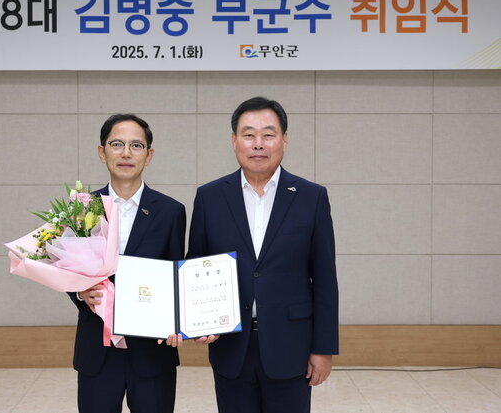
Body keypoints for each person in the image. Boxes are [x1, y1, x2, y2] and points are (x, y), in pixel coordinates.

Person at [187, 97, 339, 413]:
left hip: (291, 345)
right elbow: (195, 265)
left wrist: (323, 349)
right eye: (249, 135)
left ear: (284, 139)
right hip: (231, 345)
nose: (258, 144)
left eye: (268, 134)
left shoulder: (311, 197)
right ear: (234, 141)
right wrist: (197, 321)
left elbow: (325, 278)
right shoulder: (210, 197)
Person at [68, 114, 186, 413]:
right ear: (102, 152)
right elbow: (66, 267)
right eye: (117, 144)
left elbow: (176, 274)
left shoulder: (171, 211)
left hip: (152, 350)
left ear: (149, 155)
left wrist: (178, 321)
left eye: (136, 145)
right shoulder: (83, 207)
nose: (126, 153)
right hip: (97, 349)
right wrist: (80, 293)